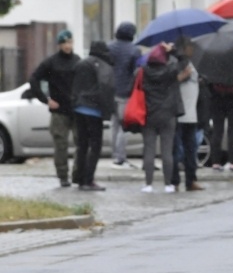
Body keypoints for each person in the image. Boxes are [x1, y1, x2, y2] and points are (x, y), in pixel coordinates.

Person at [28, 29, 81, 187]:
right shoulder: (51, 63)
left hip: (76, 109)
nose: (67, 45)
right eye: (64, 42)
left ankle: (78, 174)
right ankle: (63, 175)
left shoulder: (78, 61)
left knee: (82, 143)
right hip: (59, 111)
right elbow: (34, 79)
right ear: (59, 44)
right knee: (60, 145)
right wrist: (46, 100)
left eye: (70, 42)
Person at [141, 43, 190, 193]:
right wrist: (174, 50)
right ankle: (168, 184)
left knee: (149, 150)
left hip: (149, 114)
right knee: (167, 151)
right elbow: (184, 62)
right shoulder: (170, 70)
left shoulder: (143, 72)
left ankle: (148, 184)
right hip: (168, 115)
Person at [71, 41, 116, 191]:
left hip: (79, 108)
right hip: (94, 110)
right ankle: (88, 180)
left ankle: (79, 178)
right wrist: (108, 110)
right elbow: (106, 89)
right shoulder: (104, 66)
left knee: (82, 145)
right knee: (95, 146)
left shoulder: (81, 63)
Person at [170, 38, 204, 191]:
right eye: (190, 46)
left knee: (191, 150)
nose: (193, 49)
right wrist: (180, 77)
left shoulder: (191, 63)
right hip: (179, 114)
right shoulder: (176, 63)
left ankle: (191, 180)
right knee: (176, 150)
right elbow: (169, 82)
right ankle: (174, 181)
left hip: (191, 114)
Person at [108, 21, 142, 169]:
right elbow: (138, 72)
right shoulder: (134, 50)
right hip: (125, 93)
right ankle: (120, 157)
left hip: (110, 92)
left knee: (113, 125)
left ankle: (114, 155)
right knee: (124, 126)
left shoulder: (109, 47)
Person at [209, 75, 233, 173]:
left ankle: (215, 162)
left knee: (217, 132)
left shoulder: (214, 69)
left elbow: (209, 86)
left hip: (217, 102)